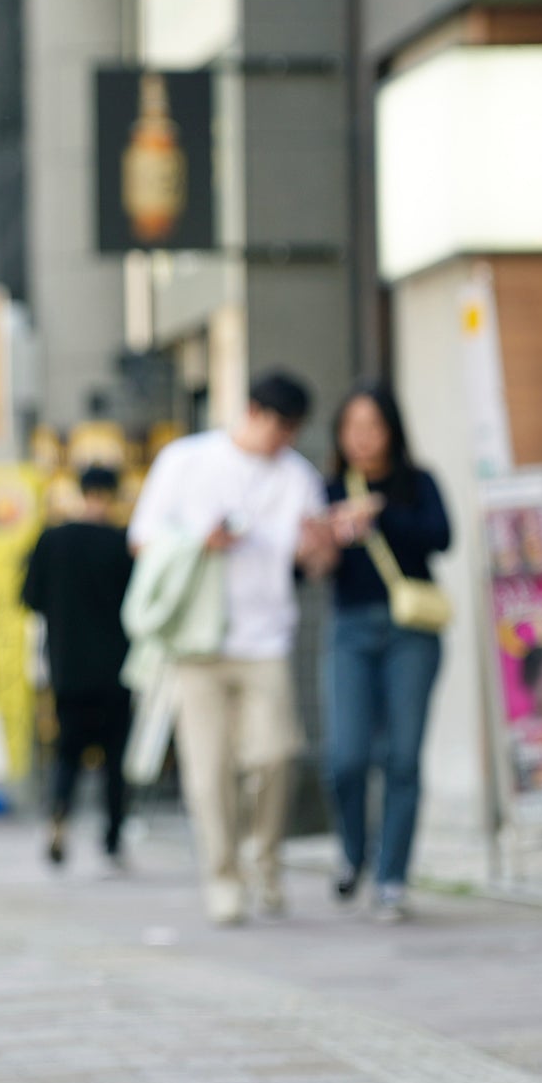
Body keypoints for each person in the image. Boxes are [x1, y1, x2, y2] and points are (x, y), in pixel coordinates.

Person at [127, 371, 332, 925]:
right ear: (253, 413)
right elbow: (141, 540)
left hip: (266, 639)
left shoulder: (298, 477)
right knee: (208, 771)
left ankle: (263, 859)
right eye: (280, 427)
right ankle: (223, 880)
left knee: (276, 756)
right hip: (197, 641)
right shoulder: (186, 461)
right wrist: (203, 541)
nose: (284, 441)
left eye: (293, 431)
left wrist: (324, 543)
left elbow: (315, 564)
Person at [317, 383, 451, 922]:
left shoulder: (417, 483)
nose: (362, 438)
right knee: (345, 757)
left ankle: (392, 877)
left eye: (372, 426)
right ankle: (354, 852)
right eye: (352, 427)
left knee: (402, 756)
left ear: (392, 430)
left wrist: (380, 515)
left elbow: (442, 536)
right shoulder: (328, 488)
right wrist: (324, 538)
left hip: (411, 631)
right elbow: (310, 567)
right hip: (350, 629)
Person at [22, 465, 135, 869]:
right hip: (118, 667)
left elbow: (30, 598)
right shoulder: (124, 542)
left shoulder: (52, 539)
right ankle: (113, 837)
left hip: (67, 666)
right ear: (112, 494)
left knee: (68, 751)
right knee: (115, 756)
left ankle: (59, 813)